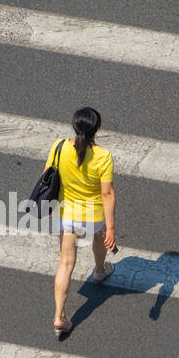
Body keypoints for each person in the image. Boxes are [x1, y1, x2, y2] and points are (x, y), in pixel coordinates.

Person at [48, 107, 116, 337]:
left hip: (66, 214)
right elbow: (107, 194)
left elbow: (48, 173)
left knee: (66, 264)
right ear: (97, 129)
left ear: (74, 126)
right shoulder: (103, 157)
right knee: (98, 238)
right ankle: (99, 270)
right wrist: (111, 228)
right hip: (92, 216)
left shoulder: (59, 147)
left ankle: (59, 316)